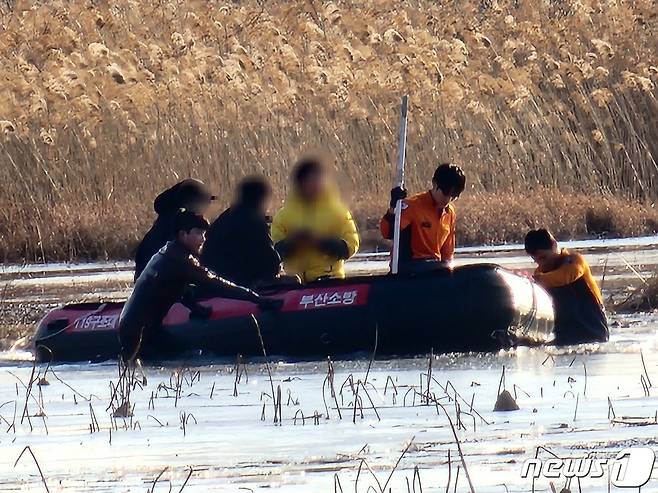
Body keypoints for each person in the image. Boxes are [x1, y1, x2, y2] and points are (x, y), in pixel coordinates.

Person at [119, 209, 281, 362]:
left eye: (204, 234)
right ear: (183, 234)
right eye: (198, 233)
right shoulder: (180, 260)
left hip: (140, 328)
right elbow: (216, 284)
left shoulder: (168, 252)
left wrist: (195, 308)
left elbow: (171, 286)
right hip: (140, 333)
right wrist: (258, 299)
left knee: (188, 353)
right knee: (193, 357)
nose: (203, 239)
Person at [271, 157, 359, 282]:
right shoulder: (283, 216)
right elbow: (272, 255)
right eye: (310, 180)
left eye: (319, 180)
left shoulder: (339, 213)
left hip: (330, 283)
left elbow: (351, 247)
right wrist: (293, 242)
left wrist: (320, 241)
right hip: (294, 285)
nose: (315, 185)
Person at [524, 229, 609, 345]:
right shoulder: (541, 273)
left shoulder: (575, 261)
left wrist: (535, 280)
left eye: (544, 257)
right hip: (564, 335)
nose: (541, 263)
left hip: (593, 331)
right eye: (536, 260)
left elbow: (565, 276)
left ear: (554, 245)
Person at [380, 163, 466, 273]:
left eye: (454, 195)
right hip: (409, 270)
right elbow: (387, 232)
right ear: (434, 184)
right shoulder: (412, 206)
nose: (449, 199)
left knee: (443, 267)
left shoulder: (450, 213)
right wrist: (393, 208)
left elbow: (447, 253)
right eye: (445, 193)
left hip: (434, 268)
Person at [201, 176, 281, 287]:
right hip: (240, 285)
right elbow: (270, 265)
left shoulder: (224, 218)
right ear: (262, 199)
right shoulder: (255, 221)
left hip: (212, 283)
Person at [134, 179, 216, 281]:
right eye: (204, 202)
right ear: (190, 204)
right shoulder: (177, 228)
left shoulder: (166, 222)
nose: (207, 208)